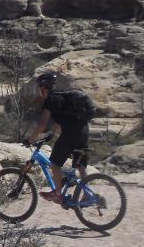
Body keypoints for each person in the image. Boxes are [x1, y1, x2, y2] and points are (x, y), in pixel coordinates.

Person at [25, 72, 95, 204]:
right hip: (84, 131)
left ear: (43, 87)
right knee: (80, 165)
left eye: (38, 86)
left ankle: (58, 194)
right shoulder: (63, 96)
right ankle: (87, 195)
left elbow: (42, 123)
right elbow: (62, 119)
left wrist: (31, 139)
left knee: (55, 164)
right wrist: (52, 134)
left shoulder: (50, 100)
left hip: (71, 134)